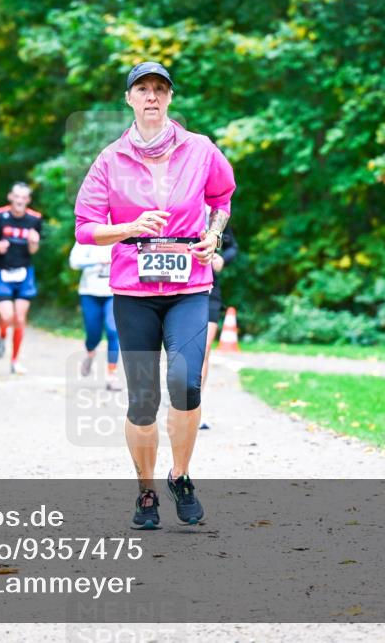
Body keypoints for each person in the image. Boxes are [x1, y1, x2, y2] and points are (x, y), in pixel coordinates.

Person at [75, 61, 235, 529]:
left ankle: (180, 477)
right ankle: (145, 492)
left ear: (170, 98)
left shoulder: (201, 150)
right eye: (142, 89)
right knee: (142, 399)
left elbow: (222, 198)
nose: (151, 96)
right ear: (129, 98)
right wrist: (129, 226)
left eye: (160, 89)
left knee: (186, 384)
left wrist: (214, 234)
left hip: (189, 287)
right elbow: (86, 229)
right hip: (133, 290)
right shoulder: (109, 159)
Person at [0, 182, 42, 374]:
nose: (19, 201)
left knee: (20, 318)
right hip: (2, 272)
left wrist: (34, 242)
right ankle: (2, 334)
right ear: (10, 197)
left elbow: (34, 250)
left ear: (28, 200)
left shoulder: (35, 219)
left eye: (23, 197)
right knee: (7, 316)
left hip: (25, 273)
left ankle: (15, 361)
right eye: (16, 196)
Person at [199, 220, 238, 429]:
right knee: (178, 350)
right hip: (176, 288)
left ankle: (194, 407)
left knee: (203, 350)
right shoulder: (173, 204)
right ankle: (176, 398)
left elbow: (233, 247)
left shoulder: (216, 216)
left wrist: (223, 258)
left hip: (209, 289)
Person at [69, 242, 121, 391]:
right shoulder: (87, 236)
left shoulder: (122, 233)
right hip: (89, 292)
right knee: (93, 334)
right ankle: (90, 353)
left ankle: (112, 376)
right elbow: (74, 262)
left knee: (113, 330)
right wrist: (98, 261)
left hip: (113, 293)